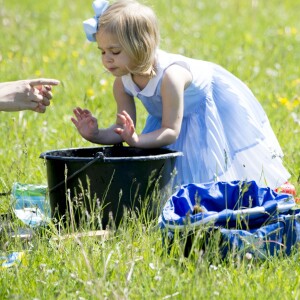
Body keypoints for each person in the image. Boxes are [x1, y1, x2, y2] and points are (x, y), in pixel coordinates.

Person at [71, 0, 290, 190]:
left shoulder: (170, 77)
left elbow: (170, 132)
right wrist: (95, 134)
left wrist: (137, 139)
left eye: (115, 51)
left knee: (213, 165)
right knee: (170, 174)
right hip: (171, 115)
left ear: (140, 47)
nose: (106, 59)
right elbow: (121, 132)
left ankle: (252, 194)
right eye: (102, 51)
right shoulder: (122, 82)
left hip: (205, 105)